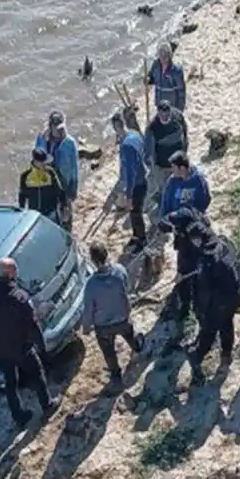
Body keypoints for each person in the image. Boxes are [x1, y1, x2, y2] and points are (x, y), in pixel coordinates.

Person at [0, 257, 62, 428]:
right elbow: (33, 325)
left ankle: (19, 416)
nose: (17, 273)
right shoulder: (19, 298)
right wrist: (42, 347)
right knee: (37, 373)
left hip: (0, 346)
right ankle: (47, 405)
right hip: (20, 346)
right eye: (15, 270)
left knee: (10, 382)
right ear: (10, 274)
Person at [181, 218, 240, 387]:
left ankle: (196, 359)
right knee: (227, 326)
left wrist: (200, 310)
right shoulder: (222, 244)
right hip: (235, 296)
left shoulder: (207, 261)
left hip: (218, 304)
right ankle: (226, 355)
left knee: (208, 335)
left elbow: (204, 290)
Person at [81, 243, 144, 391]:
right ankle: (138, 348)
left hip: (103, 327)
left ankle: (116, 375)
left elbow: (89, 309)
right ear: (107, 254)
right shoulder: (120, 270)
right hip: (123, 317)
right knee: (130, 335)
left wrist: (86, 327)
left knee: (108, 352)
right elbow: (127, 287)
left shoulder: (91, 285)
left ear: (93, 260)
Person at [157, 206, 210, 341]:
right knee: (182, 283)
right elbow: (163, 223)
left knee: (199, 286)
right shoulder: (183, 216)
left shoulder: (200, 227)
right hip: (184, 253)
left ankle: (199, 313)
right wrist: (173, 228)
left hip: (198, 257)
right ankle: (185, 307)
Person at [111, 111, 148, 254]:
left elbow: (131, 173)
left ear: (116, 127)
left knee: (135, 212)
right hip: (143, 177)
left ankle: (142, 239)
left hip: (137, 184)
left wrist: (129, 194)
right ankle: (136, 234)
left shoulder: (126, 146)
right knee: (134, 213)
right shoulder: (135, 134)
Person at [35, 111, 79, 231]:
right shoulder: (42, 138)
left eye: (61, 127)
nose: (59, 131)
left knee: (66, 214)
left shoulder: (69, 143)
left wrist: (73, 190)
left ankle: (67, 232)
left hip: (64, 183)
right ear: (50, 126)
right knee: (50, 214)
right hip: (46, 182)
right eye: (56, 128)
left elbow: (74, 167)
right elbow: (37, 156)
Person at [144, 100, 189, 204]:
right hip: (162, 165)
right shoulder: (152, 128)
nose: (164, 116)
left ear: (170, 111)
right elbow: (148, 150)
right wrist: (151, 164)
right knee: (165, 186)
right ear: (158, 112)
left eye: (167, 113)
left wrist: (185, 148)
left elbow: (185, 132)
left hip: (179, 161)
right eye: (161, 113)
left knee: (181, 183)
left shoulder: (178, 117)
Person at [18, 148, 68, 226]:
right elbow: (22, 196)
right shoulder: (25, 176)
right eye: (43, 163)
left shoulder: (50, 173)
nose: (45, 164)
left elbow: (60, 191)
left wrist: (64, 206)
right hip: (34, 216)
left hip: (51, 214)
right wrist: (22, 212)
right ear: (36, 162)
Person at [146, 42, 187, 112]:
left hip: (172, 105)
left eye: (165, 55)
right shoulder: (155, 65)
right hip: (159, 103)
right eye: (161, 55)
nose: (163, 57)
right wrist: (148, 80)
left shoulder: (176, 70)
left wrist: (180, 109)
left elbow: (181, 91)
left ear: (170, 55)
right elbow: (152, 78)